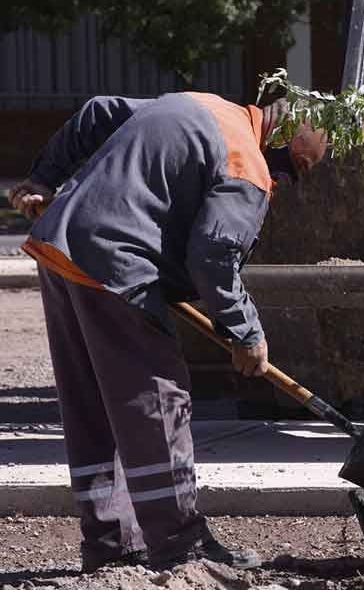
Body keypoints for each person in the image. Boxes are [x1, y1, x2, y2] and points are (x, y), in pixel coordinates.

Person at [9, 92, 326, 572]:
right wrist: (247, 331)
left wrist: (43, 179)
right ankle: (181, 545)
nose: (280, 182)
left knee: (91, 402)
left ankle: (111, 542)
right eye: (288, 171)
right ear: (280, 141)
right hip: (115, 264)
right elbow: (213, 255)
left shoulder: (203, 108)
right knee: (155, 398)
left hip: (63, 247)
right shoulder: (246, 163)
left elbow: (100, 112)